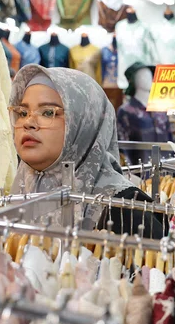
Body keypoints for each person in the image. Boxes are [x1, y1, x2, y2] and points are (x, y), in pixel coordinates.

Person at [10, 65, 164, 237]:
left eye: (47, 112)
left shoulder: (126, 211)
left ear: (85, 124)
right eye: (22, 112)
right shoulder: (16, 193)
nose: (28, 122)